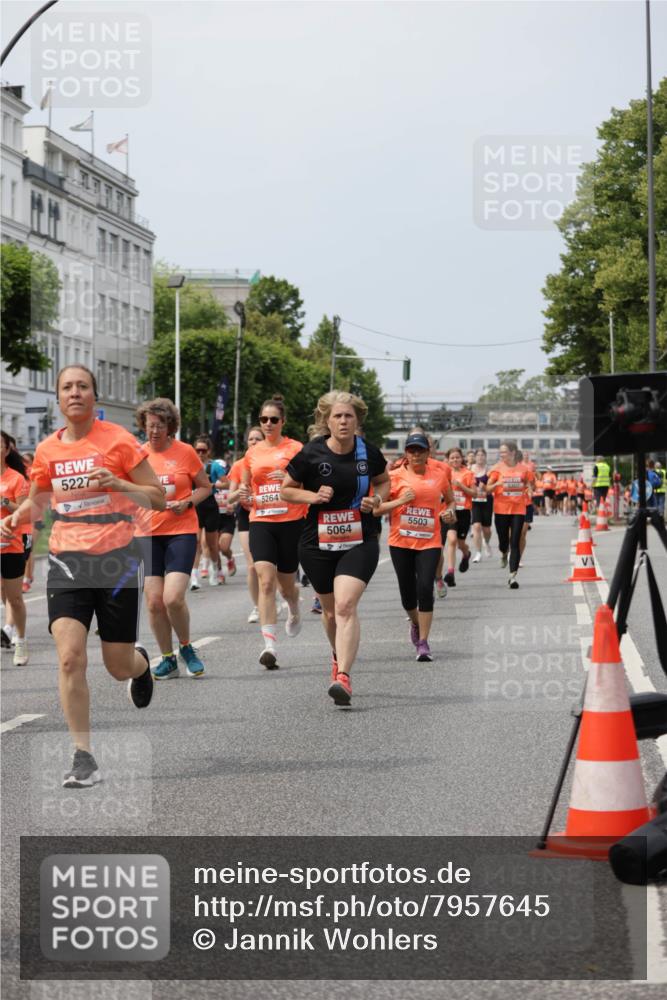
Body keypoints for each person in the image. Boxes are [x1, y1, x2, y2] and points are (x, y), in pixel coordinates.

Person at [0, 366, 165, 787]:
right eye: (67, 387)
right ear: (58, 398)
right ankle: (83, 756)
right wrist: (17, 517)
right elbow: (39, 501)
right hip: (67, 560)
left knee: (116, 665)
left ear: (95, 395)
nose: (75, 393)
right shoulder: (48, 450)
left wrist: (119, 484)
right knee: (70, 657)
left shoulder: (120, 441)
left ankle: (140, 665)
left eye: (82, 386)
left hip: (117, 560)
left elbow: (158, 498)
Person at [280, 391, 389, 704]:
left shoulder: (367, 451)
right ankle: (336, 654)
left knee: (345, 606)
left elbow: (383, 480)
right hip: (317, 542)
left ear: (357, 420)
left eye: (349, 416)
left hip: (360, 539)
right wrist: (312, 497)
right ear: (326, 421)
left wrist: (377, 499)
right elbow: (287, 491)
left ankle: (343, 676)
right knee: (329, 612)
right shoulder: (310, 453)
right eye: (338, 416)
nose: (343, 421)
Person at [135, 399, 212, 679]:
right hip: (146, 534)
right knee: (154, 602)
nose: (154, 430)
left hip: (180, 530)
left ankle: (186, 647)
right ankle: (167, 658)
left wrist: (188, 502)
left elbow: (205, 487)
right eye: (149, 424)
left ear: (170, 427)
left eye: (160, 425)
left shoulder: (185, 452)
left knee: (173, 598)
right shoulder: (136, 455)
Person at [239, 395, 306, 670]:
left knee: (286, 586)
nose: (268, 424)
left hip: (291, 522)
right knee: (265, 580)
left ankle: (293, 607)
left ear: (283, 422)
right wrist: (245, 495)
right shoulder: (252, 453)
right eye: (263, 419)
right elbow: (245, 489)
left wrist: (290, 479)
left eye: (273, 419)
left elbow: (309, 481)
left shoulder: (296, 448)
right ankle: (270, 646)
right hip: (261, 520)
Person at [377, 432, 455, 661]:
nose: (416, 454)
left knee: (424, 588)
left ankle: (423, 642)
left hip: (430, 541)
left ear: (428, 453)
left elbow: (450, 500)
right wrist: (400, 501)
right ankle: (414, 622)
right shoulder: (393, 477)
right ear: (406, 454)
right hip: (400, 542)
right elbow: (376, 509)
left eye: (420, 450)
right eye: (412, 450)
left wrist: (449, 511)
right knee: (407, 595)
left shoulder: (439, 475)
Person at [225, 426, 265, 622]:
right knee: (251, 566)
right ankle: (258, 606)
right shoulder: (239, 465)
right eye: (251, 439)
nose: (254, 442)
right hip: (246, 515)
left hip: (268, 515)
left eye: (258, 439)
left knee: (270, 567)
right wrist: (239, 493)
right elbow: (229, 498)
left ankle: (272, 597)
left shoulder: (271, 462)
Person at [486, 439, 532, 589]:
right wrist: (496, 484)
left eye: (504, 452)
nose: (502, 454)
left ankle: (512, 576)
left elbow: (530, 483)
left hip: (519, 509)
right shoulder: (497, 469)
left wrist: (530, 488)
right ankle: (503, 553)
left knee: (515, 541)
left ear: (513, 453)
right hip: (501, 510)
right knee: (503, 542)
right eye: (501, 452)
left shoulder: (524, 469)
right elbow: (487, 489)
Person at [1, 431, 30, 665]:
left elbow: (21, 511)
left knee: (15, 599)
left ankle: (20, 641)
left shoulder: (16, 479)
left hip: (11, 545)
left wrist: (2, 501)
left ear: (7, 450)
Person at [190, 436, 227, 589]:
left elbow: (227, 483)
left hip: (211, 505)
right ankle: (194, 578)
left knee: (212, 545)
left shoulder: (214, 466)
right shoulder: (189, 465)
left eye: (203, 450)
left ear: (208, 451)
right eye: (197, 450)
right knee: (196, 543)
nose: (200, 453)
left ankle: (216, 571)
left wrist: (212, 484)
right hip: (195, 505)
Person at [443, 447, 475, 586]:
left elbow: (474, 493)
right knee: (452, 540)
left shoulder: (468, 473)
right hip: (450, 511)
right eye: (452, 458)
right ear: (448, 460)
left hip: (464, 512)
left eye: (457, 457)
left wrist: (461, 486)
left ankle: (466, 553)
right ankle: (450, 572)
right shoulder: (444, 473)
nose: (455, 460)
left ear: (462, 458)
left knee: (461, 543)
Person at [470, 447, 493, 562]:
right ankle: (478, 553)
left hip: (487, 500)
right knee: (476, 526)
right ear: (475, 457)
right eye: (478, 455)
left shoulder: (489, 470)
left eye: (482, 455)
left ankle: (486, 542)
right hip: (474, 501)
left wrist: (485, 487)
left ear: (485, 457)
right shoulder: (470, 469)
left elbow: (490, 488)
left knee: (487, 529)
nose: (480, 457)